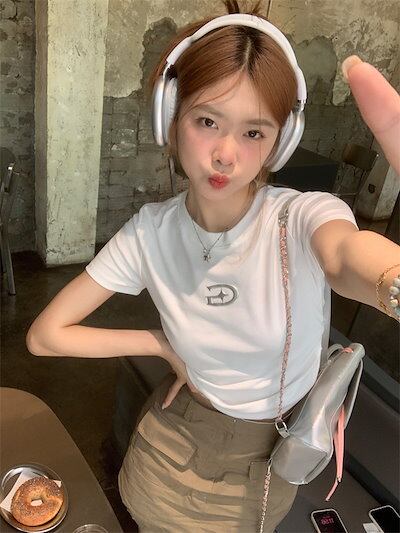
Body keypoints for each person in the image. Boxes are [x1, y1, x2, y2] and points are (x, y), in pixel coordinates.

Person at [26, 1, 400, 532]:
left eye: (254, 132)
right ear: (170, 117)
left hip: (266, 460)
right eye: (207, 121)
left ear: (280, 142)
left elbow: (348, 256)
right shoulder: (149, 232)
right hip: (167, 450)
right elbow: (45, 336)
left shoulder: (300, 217)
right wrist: (159, 344)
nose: (226, 154)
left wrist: (393, 284)